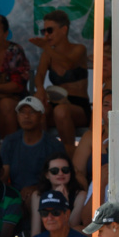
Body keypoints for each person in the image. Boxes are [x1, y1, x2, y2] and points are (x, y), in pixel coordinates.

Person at [31, 10, 90, 156]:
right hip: (56, 102)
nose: (46, 35)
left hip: (78, 105)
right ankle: (43, 155)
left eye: (50, 30)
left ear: (64, 30)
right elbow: (39, 75)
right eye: (44, 31)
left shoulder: (79, 49)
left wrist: (46, 48)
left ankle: (69, 155)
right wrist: (40, 89)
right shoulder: (47, 55)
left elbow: (68, 64)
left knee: (61, 111)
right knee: (38, 112)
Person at [0, 96, 66, 203]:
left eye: (32, 112)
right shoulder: (10, 141)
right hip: (14, 195)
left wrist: (35, 188)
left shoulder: (53, 144)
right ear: (17, 117)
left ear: (42, 117)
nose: (26, 116)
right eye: (22, 112)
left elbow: (60, 178)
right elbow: (3, 175)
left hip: (45, 195)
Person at [28, 153, 86, 236]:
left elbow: (70, 229)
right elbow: (35, 233)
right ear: (47, 175)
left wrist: (64, 203)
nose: (60, 173)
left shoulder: (80, 195)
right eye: (54, 171)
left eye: (65, 170)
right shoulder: (38, 195)